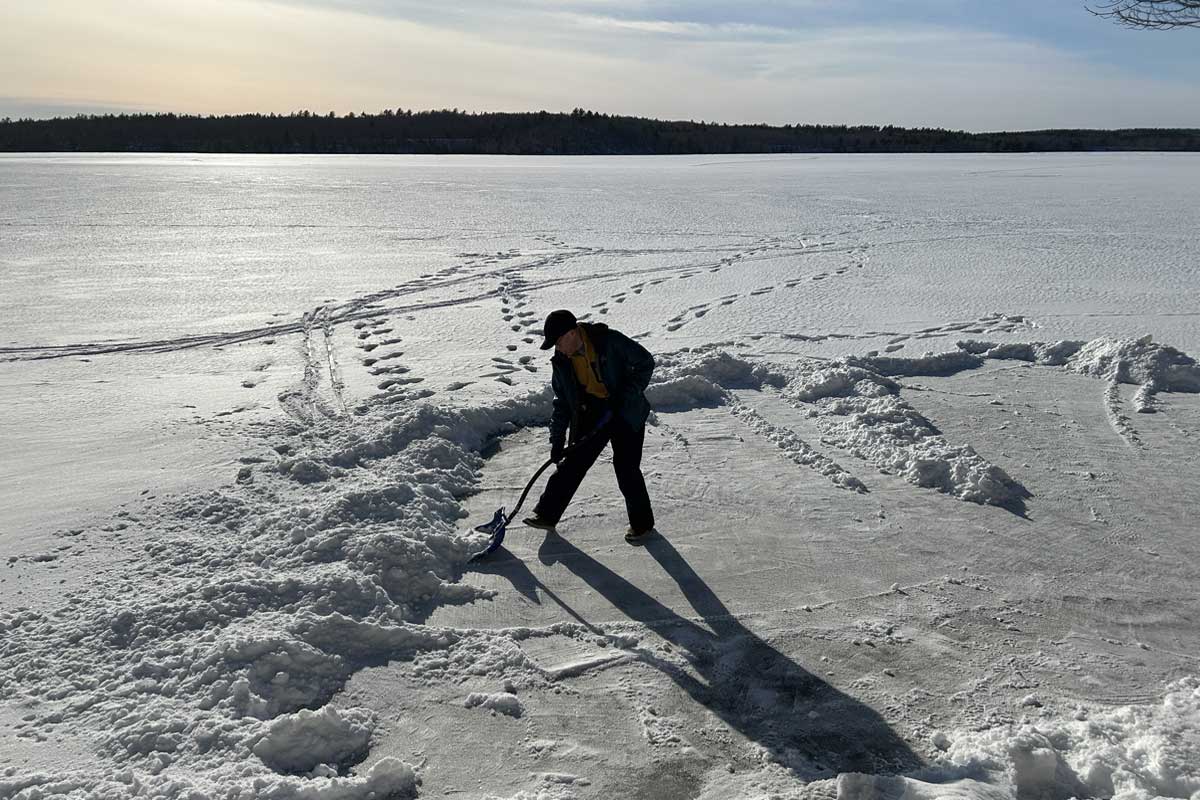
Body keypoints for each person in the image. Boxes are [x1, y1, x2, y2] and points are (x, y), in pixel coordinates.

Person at [523, 309, 657, 544]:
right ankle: (546, 514)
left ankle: (642, 526)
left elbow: (645, 362)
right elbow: (562, 403)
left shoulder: (608, 341)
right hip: (594, 412)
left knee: (626, 468)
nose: (558, 348)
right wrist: (556, 440)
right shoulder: (562, 361)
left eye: (559, 341)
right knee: (573, 462)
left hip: (626, 411)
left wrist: (626, 394)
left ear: (573, 333)